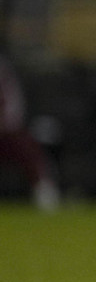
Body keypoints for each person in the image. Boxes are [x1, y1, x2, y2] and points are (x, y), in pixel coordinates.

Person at [0, 53, 60, 210]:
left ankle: (43, 188)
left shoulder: (3, 68)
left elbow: (14, 105)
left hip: (5, 133)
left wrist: (4, 124)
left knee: (24, 144)